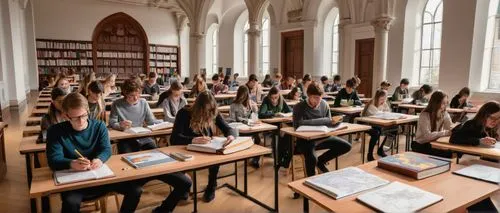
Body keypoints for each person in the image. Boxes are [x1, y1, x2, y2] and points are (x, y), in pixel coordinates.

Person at [46, 93, 143, 213]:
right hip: (74, 182)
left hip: (100, 176)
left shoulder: (99, 126)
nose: (81, 121)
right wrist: (71, 163)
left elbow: (106, 149)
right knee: (70, 203)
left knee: (136, 190)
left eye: (84, 115)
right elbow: (53, 160)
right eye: (75, 118)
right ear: (66, 116)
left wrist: (100, 159)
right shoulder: (55, 131)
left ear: (87, 110)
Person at [171, 92, 238, 202]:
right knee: (182, 165)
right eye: (205, 111)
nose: (208, 114)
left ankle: (211, 186)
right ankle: (183, 187)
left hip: (206, 148)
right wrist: (193, 140)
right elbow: (174, 138)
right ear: (198, 108)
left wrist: (231, 136)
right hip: (185, 149)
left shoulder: (213, 112)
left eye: (210, 110)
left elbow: (228, 128)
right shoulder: (183, 113)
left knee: (217, 155)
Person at [293, 83, 352, 176]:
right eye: (315, 97)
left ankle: (320, 162)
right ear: (309, 96)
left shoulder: (324, 105)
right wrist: (323, 120)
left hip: (322, 137)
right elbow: (298, 124)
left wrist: (336, 122)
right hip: (305, 141)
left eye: (319, 97)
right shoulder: (299, 107)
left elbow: (329, 123)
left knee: (346, 146)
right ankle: (311, 182)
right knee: (312, 158)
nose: (318, 100)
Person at [109, 79, 163, 153]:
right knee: (127, 154)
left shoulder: (143, 102)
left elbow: (151, 121)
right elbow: (112, 123)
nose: (136, 98)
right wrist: (120, 125)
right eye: (132, 95)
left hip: (142, 136)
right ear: (125, 94)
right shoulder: (117, 104)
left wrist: (164, 123)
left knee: (155, 151)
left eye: (138, 94)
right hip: (125, 138)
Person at [412, 91, 453, 158]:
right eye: (443, 103)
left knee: (452, 151)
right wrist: (445, 133)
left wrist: (455, 129)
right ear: (436, 103)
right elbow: (427, 136)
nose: (445, 105)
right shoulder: (425, 114)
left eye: (446, 103)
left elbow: (450, 127)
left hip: (434, 143)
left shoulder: (444, 113)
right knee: (448, 153)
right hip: (421, 144)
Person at [229, 86, 261, 167]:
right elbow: (232, 119)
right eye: (241, 95)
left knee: (257, 139)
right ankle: (247, 156)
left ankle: (255, 159)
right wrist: (244, 120)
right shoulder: (234, 105)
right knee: (249, 139)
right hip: (240, 129)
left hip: (250, 127)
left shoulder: (250, 103)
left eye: (245, 95)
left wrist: (255, 109)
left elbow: (255, 115)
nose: (242, 98)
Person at [361, 90, 392, 161]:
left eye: (384, 99)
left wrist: (385, 105)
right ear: (377, 98)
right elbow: (378, 114)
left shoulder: (383, 103)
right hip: (367, 124)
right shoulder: (371, 104)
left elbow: (388, 112)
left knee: (387, 129)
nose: (383, 101)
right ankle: (370, 154)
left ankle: (380, 149)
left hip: (376, 124)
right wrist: (384, 111)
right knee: (376, 133)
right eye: (381, 99)